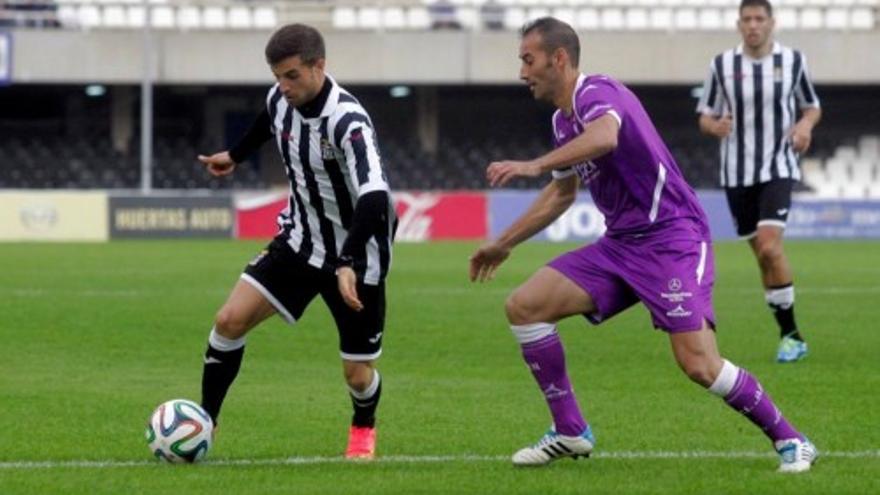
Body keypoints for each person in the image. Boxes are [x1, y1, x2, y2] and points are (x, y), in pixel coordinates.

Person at [468, 17, 817, 472]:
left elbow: (606, 136)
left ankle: (792, 439)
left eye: (527, 60)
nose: (522, 72)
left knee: (698, 363)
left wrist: (533, 164)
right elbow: (563, 193)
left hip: (673, 238)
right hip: (620, 246)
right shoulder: (561, 122)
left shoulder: (597, 92)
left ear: (558, 59)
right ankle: (571, 431)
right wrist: (504, 244)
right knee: (525, 306)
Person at [196, 23, 396, 460]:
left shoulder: (349, 121)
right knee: (229, 321)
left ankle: (363, 423)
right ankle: (203, 425)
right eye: (276, 76)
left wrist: (347, 260)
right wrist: (235, 156)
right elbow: (267, 122)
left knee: (358, 375)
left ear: (318, 66)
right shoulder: (279, 100)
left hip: (358, 257)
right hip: (300, 240)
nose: (282, 86)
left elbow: (375, 197)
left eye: (291, 76)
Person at [696, 0, 821, 363]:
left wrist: (805, 124)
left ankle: (792, 336)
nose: (753, 25)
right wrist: (713, 125)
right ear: (739, 24)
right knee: (763, 258)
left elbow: (811, 105)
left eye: (759, 19)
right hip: (737, 174)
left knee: (769, 247)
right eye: (747, 19)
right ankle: (789, 334)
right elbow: (704, 113)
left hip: (779, 166)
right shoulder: (722, 65)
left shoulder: (793, 61)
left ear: (771, 23)